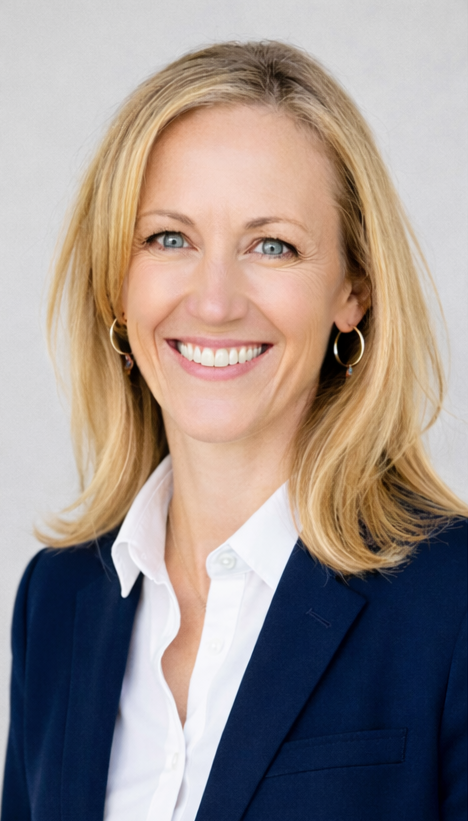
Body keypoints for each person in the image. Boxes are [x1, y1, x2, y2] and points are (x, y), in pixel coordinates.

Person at [1, 39, 466, 821]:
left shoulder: (452, 605)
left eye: (272, 245)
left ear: (352, 291)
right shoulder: (57, 601)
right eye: (169, 238)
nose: (214, 301)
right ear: (117, 282)